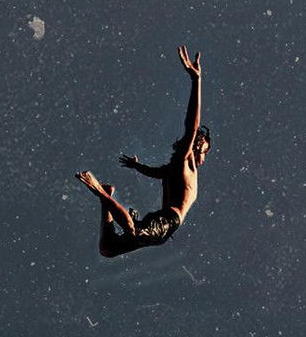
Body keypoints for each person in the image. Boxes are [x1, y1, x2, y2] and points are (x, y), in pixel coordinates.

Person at [76, 45, 210, 257]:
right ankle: (100, 191)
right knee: (131, 231)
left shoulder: (176, 168)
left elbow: (158, 173)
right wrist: (196, 81)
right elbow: (192, 126)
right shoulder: (186, 159)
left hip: (165, 223)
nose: (204, 157)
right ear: (196, 146)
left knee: (108, 248)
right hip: (168, 220)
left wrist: (138, 166)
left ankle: (106, 196)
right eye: (204, 151)